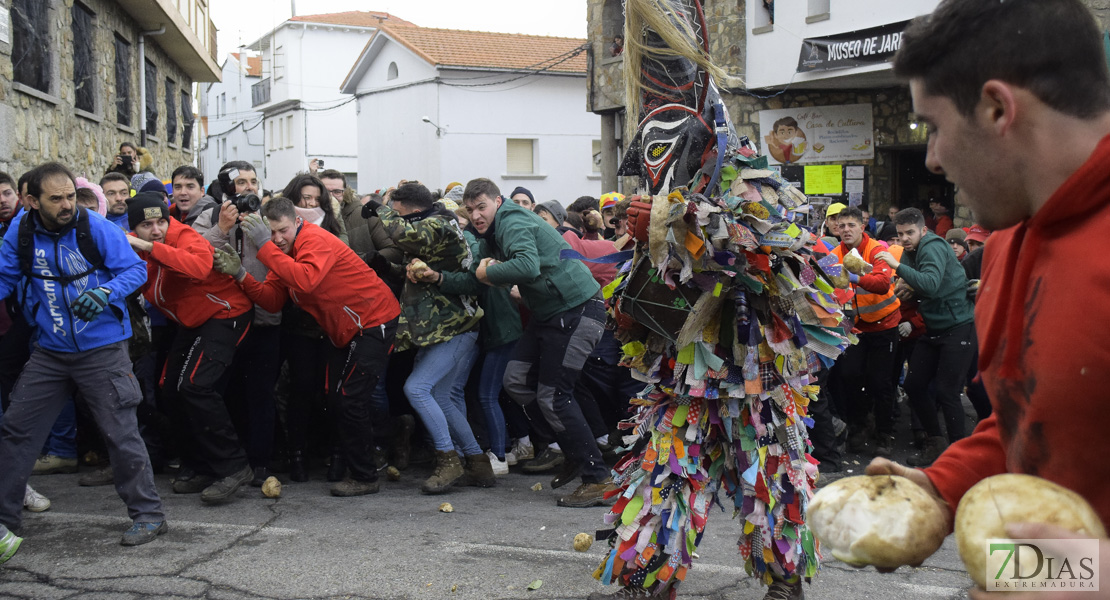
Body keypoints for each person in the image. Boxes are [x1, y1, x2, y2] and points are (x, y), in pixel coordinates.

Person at [867, 2, 1110, 584]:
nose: (932, 157)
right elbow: (1027, 421)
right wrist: (941, 484)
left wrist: (1080, 586)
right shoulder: (1005, 241)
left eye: (933, 125)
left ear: (998, 107)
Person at [413, 178, 610, 508]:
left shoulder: (512, 220)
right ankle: (575, 452)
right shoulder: (492, 235)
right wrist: (439, 278)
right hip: (549, 314)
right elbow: (480, 281)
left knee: (554, 396)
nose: (476, 215)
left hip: (576, 310)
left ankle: (598, 477)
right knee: (517, 381)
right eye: (471, 210)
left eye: (482, 207)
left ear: (497, 201)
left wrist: (487, 272)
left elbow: (526, 265)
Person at [0, 162, 165, 546]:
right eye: (55, 198)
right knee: (16, 430)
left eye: (70, 196)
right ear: (31, 201)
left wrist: (105, 292)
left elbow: (135, 271)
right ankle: (5, 522)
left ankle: (149, 516)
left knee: (121, 434)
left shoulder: (96, 227)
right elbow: (5, 278)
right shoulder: (19, 231)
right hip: (49, 350)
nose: (66, 205)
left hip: (103, 349)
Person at [214, 198, 401, 497]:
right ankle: (372, 458)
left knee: (348, 398)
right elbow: (273, 300)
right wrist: (240, 275)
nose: (276, 238)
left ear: (297, 222)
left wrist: (264, 246)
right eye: (271, 232)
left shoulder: (315, 239)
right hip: (347, 329)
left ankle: (367, 472)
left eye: (282, 231)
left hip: (372, 320)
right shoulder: (281, 253)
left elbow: (306, 280)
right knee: (337, 397)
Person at [126, 192, 255, 504]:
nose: (156, 230)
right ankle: (199, 465)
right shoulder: (130, 247)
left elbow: (198, 267)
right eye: (146, 225)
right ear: (133, 228)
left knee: (195, 386)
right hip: (193, 322)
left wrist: (148, 246)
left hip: (226, 313)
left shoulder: (183, 236)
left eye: (161, 222)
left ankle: (234, 466)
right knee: (170, 389)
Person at [366, 182, 491, 492]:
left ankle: (448, 462)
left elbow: (409, 235)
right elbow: (420, 275)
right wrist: (389, 267)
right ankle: (477, 464)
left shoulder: (437, 222)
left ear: (412, 210)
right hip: (445, 329)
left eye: (397, 212)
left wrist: (378, 208)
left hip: (456, 328)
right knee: (442, 397)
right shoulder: (432, 226)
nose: (394, 218)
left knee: (418, 388)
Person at [876, 208, 975, 466]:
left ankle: (958, 456)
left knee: (948, 392)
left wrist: (896, 266)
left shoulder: (931, 246)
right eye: (900, 234)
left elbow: (930, 283)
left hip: (959, 325)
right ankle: (936, 442)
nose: (905, 238)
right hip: (934, 327)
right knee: (914, 384)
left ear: (923, 230)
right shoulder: (911, 251)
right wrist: (907, 290)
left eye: (910, 233)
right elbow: (919, 286)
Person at [831, 207, 901, 457]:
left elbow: (882, 284)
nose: (846, 230)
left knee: (880, 382)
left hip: (885, 325)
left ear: (863, 226)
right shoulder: (835, 253)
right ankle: (860, 425)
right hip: (856, 328)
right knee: (850, 376)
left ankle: (884, 434)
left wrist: (854, 276)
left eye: (851, 225)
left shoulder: (877, 251)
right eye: (842, 226)